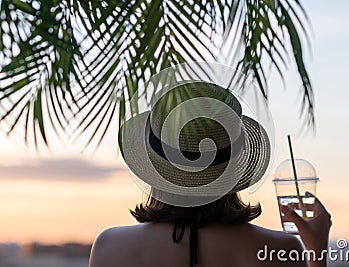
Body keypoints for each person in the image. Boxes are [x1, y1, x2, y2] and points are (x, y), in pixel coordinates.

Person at [89, 82, 332, 267]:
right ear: (235, 165)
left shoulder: (109, 246)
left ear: (155, 167)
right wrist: (316, 250)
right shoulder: (282, 250)